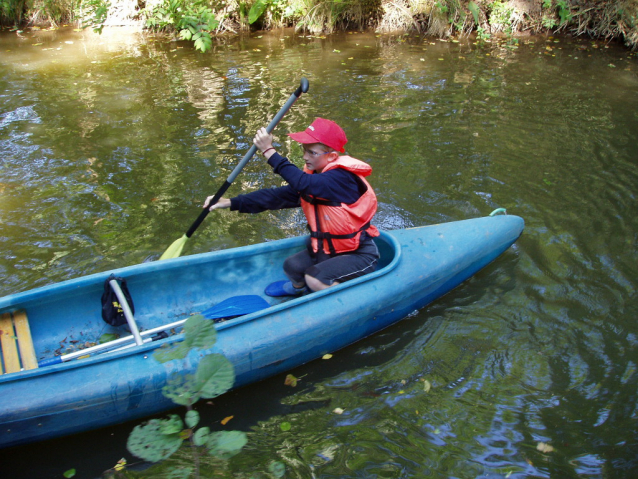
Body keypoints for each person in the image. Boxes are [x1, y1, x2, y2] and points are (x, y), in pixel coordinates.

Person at [204, 118, 380, 297]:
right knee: (292, 266)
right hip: (329, 248)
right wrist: (230, 202)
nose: (305, 157)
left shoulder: (341, 179)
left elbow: (303, 183)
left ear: (332, 156)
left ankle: (343, 301)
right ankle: (299, 291)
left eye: (312, 152)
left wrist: (268, 150)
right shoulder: (314, 180)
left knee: (314, 278)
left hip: (358, 254)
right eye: (304, 151)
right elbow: (274, 197)